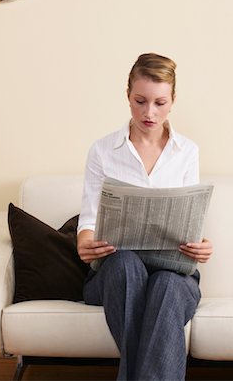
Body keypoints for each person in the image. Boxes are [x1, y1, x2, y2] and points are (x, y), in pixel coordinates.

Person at [77, 53, 213, 381]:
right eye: (140, 101)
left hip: (173, 273)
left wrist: (201, 246)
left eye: (159, 102)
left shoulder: (187, 152)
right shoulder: (102, 150)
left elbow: (189, 219)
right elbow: (88, 221)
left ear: (172, 101)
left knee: (166, 285)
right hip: (117, 272)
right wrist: (84, 244)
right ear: (127, 96)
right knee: (125, 266)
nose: (149, 113)